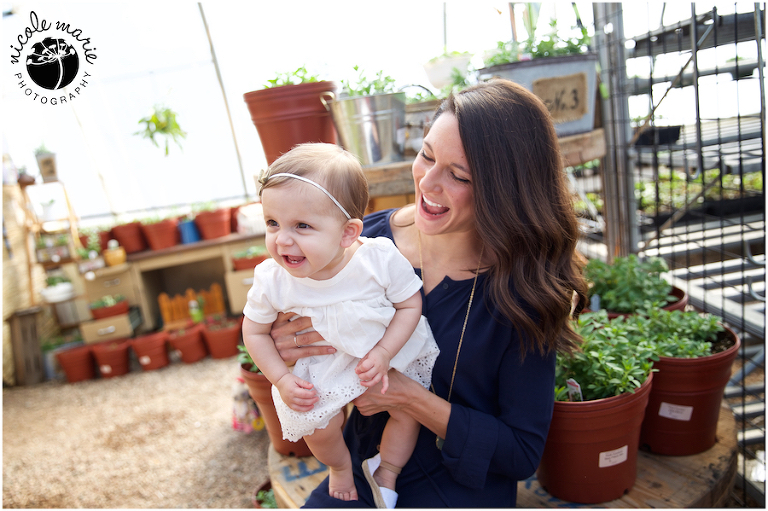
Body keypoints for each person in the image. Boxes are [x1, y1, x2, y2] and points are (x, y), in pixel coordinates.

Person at [267, 79, 589, 508]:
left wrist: (412, 399)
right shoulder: (364, 243)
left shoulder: (522, 292)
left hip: (460, 491)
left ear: (506, 191)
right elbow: (284, 314)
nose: (428, 182)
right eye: (426, 154)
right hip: (361, 475)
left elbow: (521, 453)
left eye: (459, 175)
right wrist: (286, 347)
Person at [241, 143, 440, 505]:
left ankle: (388, 470)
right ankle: (340, 467)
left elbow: (410, 304)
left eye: (302, 226)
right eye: (273, 223)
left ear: (348, 233)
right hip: (323, 365)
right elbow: (253, 331)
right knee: (318, 427)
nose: (282, 239)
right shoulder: (273, 278)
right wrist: (282, 379)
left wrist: (384, 352)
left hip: (378, 361)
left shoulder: (376, 258)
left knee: (407, 413)